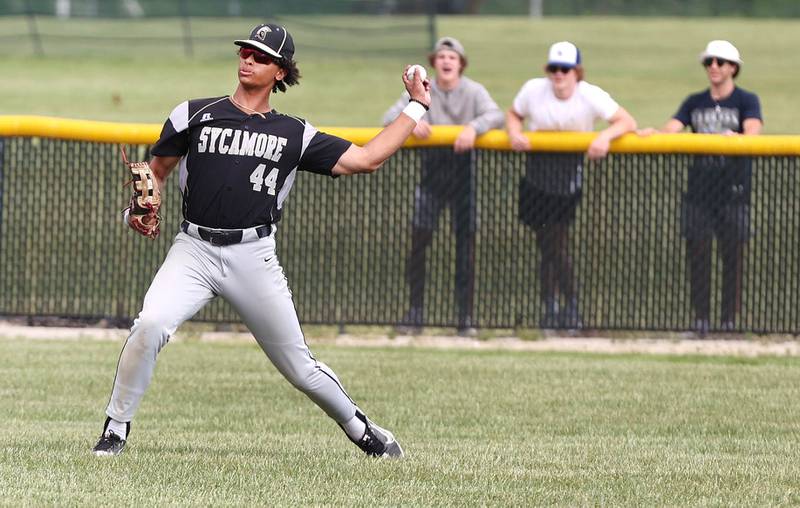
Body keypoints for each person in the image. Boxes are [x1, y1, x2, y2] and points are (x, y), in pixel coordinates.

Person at [91, 23, 432, 458]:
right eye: (246, 51)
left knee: (300, 368)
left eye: (262, 56)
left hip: (253, 254)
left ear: (281, 72)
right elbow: (155, 175)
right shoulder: (193, 113)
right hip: (193, 249)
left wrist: (417, 106)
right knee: (150, 324)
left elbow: (366, 160)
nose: (249, 59)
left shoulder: (295, 133)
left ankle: (360, 428)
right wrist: (135, 213)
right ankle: (116, 427)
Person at [507, 41, 636, 329]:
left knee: (554, 244)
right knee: (548, 246)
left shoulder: (590, 95)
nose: (559, 74)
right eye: (554, 68)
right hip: (537, 173)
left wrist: (604, 138)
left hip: (567, 175)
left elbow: (626, 121)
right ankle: (554, 309)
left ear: (577, 72)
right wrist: (515, 132)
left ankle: (567, 306)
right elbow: (514, 113)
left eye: (565, 69)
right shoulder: (533, 89)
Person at [638, 40, 762, 335]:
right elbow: (672, 128)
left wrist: (740, 137)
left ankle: (729, 322)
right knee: (699, 256)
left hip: (734, 192)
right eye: (709, 62)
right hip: (700, 192)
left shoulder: (746, 100)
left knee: (733, 259)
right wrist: (652, 134)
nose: (714, 67)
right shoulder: (695, 101)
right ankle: (701, 320)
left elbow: (755, 130)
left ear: (733, 67)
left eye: (720, 62)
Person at [383, 37, 504, 336]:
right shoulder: (422, 91)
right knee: (419, 243)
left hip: (464, 175)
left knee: (466, 247)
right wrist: (411, 119)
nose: (447, 61)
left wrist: (473, 128)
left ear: (461, 64)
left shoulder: (473, 91)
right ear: (434, 63)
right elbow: (388, 118)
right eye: (441, 57)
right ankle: (415, 313)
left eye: (452, 57)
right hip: (432, 174)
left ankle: (465, 317)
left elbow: (496, 115)